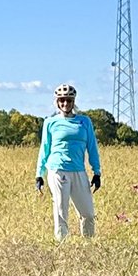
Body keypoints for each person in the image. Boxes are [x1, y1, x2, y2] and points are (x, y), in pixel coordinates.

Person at [35, 83, 101, 240]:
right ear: (57, 102)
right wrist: (39, 174)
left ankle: (89, 245)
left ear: (73, 102)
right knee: (60, 211)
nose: (65, 103)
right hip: (58, 170)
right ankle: (62, 246)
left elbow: (92, 147)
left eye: (69, 100)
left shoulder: (84, 122)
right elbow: (45, 149)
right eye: (62, 100)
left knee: (88, 214)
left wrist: (96, 171)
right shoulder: (50, 122)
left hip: (78, 170)